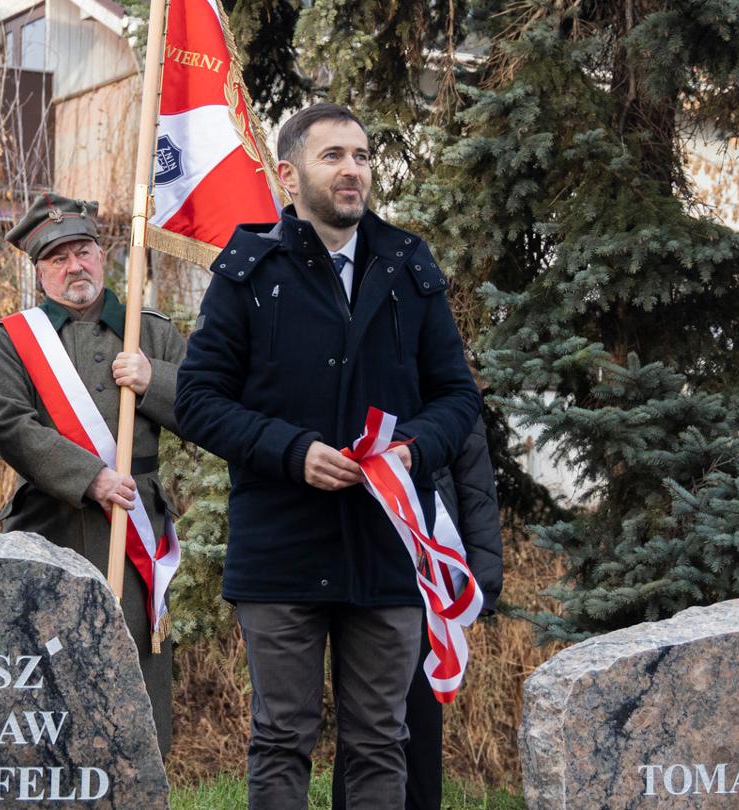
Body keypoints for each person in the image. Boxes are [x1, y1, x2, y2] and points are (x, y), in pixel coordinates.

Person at [173, 102, 482, 808]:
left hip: (387, 547)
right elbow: (198, 400)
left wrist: (411, 451)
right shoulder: (249, 271)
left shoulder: (410, 265)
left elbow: (458, 397)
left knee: (380, 739)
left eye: (362, 156)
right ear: (289, 174)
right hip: (281, 547)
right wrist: (292, 451)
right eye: (333, 156)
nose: (353, 171)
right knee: (282, 738)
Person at [0, 193, 187, 755]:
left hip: (136, 523)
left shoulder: (151, 332)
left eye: (83, 250)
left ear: (103, 254)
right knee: (48, 669)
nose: (74, 266)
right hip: (51, 523)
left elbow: (208, 410)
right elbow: (9, 423)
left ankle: (140, 781)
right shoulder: (14, 338)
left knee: (136, 669)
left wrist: (154, 380)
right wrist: (90, 476)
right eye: (57, 258)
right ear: (39, 270)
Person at [332, 418, 504, 809]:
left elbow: (477, 488)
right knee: (365, 726)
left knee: (422, 724)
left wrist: (484, 582)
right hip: (360, 574)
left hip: (430, 582)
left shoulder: (448, 390)